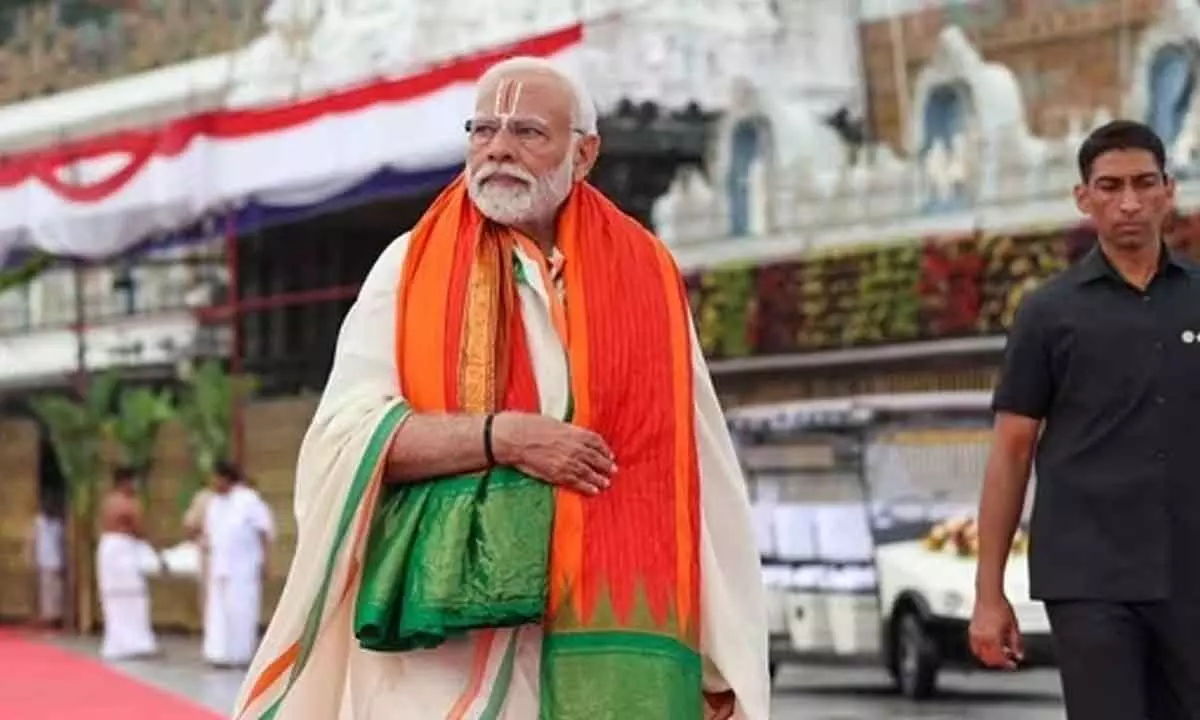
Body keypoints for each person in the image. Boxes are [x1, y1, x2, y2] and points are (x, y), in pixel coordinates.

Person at [234, 57, 770, 720]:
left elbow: (697, 464)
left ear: (585, 153)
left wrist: (721, 649)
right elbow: (343, 442)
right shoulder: (409, 266)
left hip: (604, 620)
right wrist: (500, 438)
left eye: (526, 133)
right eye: (482, 130)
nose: (497, 150)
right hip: (449, 637)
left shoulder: (647, 273)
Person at [970, 119, 1200, 719]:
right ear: (1083, 197)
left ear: (1168, 191)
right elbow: (1012, 451)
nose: (1129, 202)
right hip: (1090, 575)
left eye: (1145, 183)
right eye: (1110, 186)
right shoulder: (1048, 314)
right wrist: (988, 594)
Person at [202, 460, 274, 669]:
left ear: (226, 477)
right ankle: (219, 654)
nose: (212, 482)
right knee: (218, 611)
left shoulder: (248, 499)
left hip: (244, 566)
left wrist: (266, 562)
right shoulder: (214, 503)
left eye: (215, 477)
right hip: (220, 565)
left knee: (242, 609)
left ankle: (240, 655)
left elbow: (264, 532)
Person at [97, 466, 161, 660]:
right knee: (132, 594)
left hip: (108, 548)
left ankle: (120, 643)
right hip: (123, 548)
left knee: (117, 596)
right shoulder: (129, 503)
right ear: (125, 482)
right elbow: (139, 528)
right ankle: (133, 644)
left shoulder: (107, 502)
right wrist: (155, 549)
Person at [26, 499, 64, 629]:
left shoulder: (58, 524)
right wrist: (30, 556)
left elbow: (62, 544)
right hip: (44, 561)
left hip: (56, 561)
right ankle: (48, 618)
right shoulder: (39, 522)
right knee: (46, 591)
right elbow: (32, 540)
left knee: (55, 591)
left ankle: (54, 617)